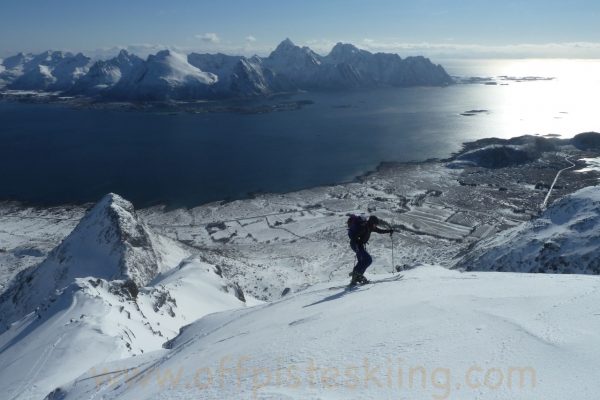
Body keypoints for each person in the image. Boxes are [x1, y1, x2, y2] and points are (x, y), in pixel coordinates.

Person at [346, 215, 393, 285]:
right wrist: (356, 242)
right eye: (375, 224)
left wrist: (389, 231)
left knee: (361, 261)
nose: (375, 226)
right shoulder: (363, 227)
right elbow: (353, 236)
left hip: (358, 245)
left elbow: (379, 230)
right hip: (356, 245)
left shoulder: (370, 227)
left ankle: (356, 277)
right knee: (368, 260)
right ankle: (357, 275)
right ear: (372, 222)